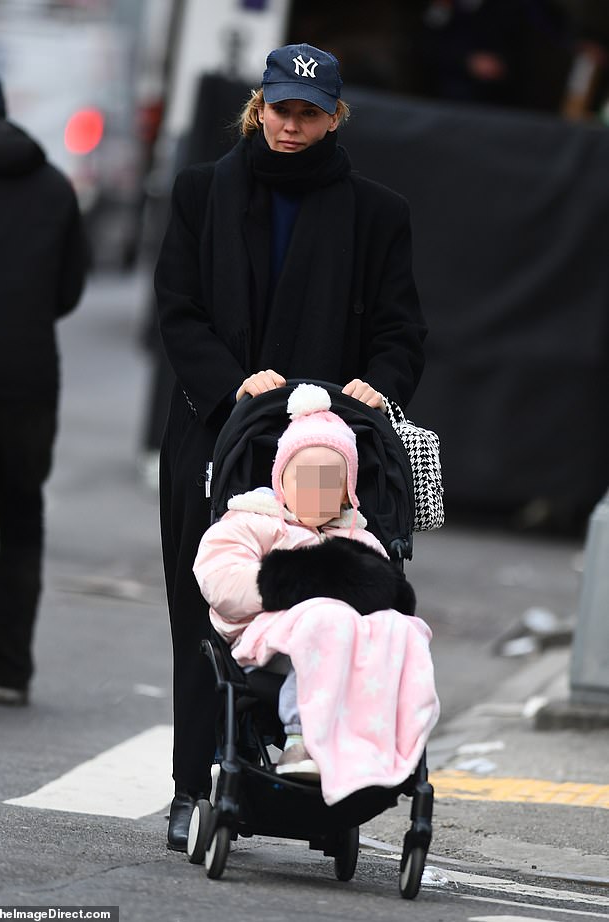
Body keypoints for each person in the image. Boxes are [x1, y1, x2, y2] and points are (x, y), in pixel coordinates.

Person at [154, 42, 427, 848]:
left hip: (324, 451)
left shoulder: (377, 213)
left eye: (310, 113)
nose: (292, 125)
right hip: (215, 432)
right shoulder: (203, 191)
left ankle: (309, 771)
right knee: (203, 607)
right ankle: (191, 781)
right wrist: (234, 383)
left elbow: (400, 331)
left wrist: (381, 384)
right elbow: (179, 311)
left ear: (335, 116)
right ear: (258, 104)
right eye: (281, 108)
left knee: (330, 605)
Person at [193, 384, 439, 803]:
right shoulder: (255, 521)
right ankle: (301, 737)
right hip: (273, 638)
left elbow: (388, 597)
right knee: (326, 619)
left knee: (405, 632)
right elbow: (220, 575)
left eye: (330, 483)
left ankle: (385, 744)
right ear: (281, 481)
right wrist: (297, 583)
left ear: (348, 491)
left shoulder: (358, 538)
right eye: (304, 479)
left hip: (352, 645)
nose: (316, 491)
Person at [0, 58, 88, 705]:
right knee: (22, 519)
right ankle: (8, 669)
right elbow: (69, 290)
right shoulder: (52, 185)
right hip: (26, 375)